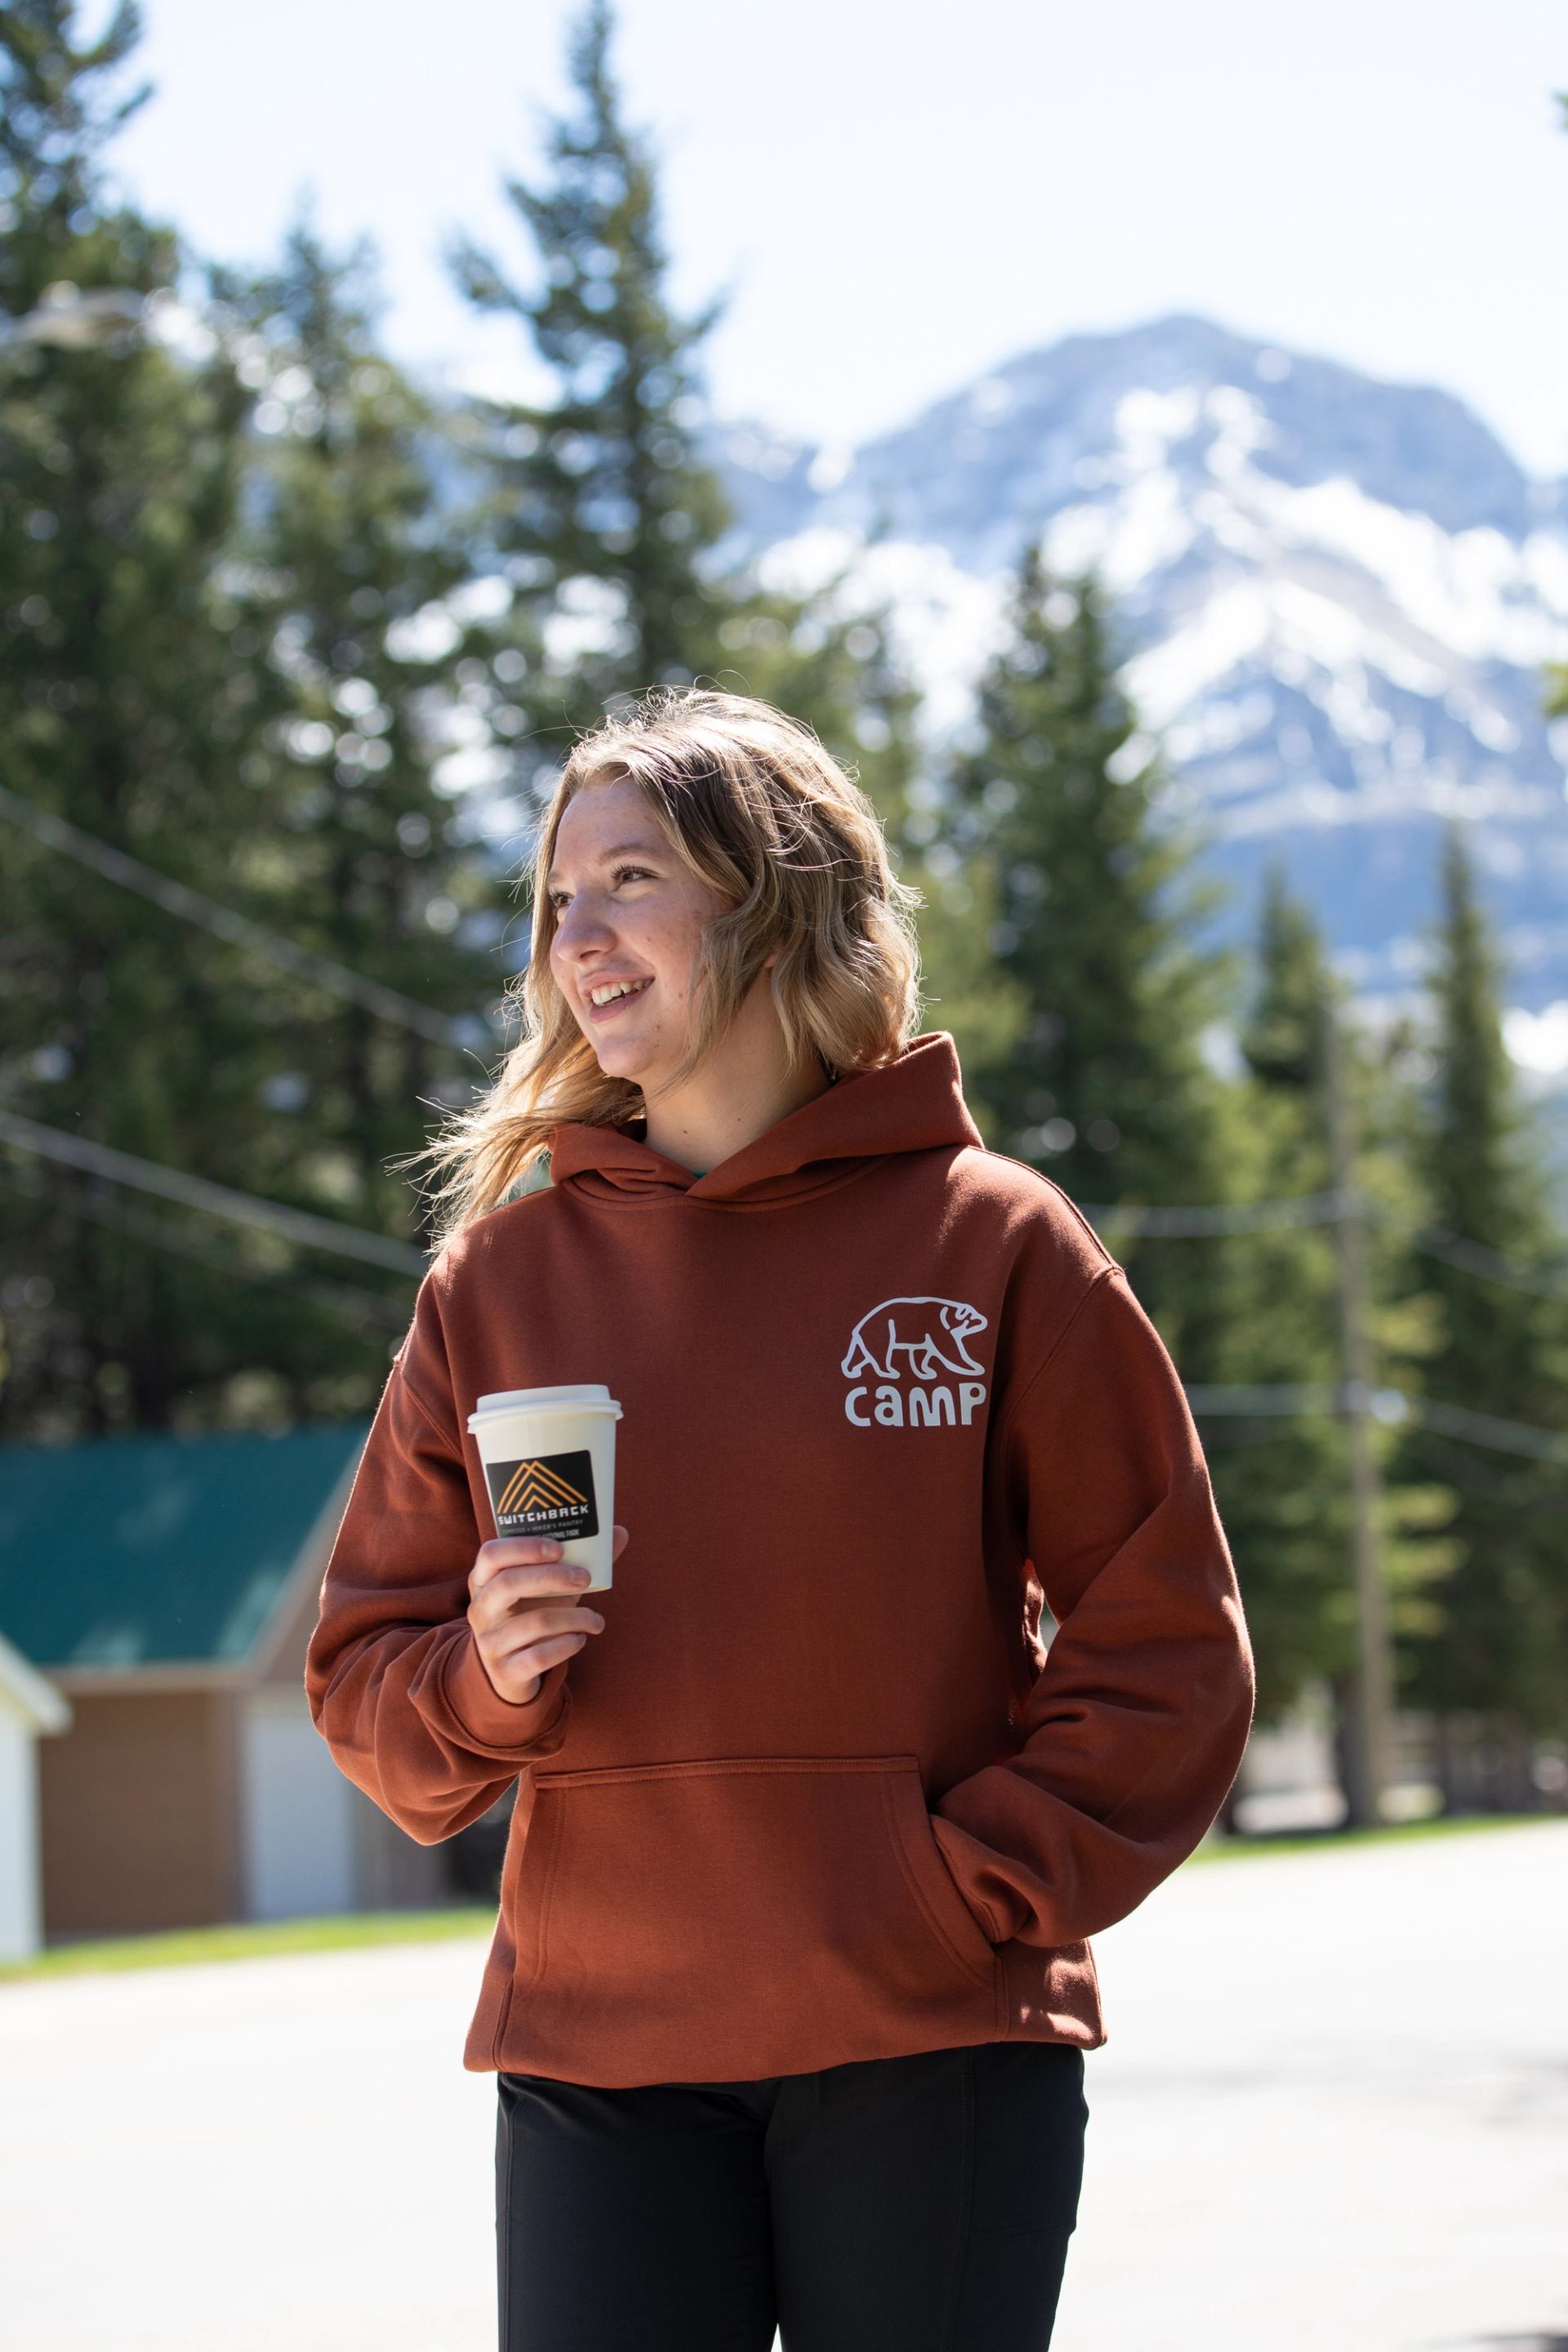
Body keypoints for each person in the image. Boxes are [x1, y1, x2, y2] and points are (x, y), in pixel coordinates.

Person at [305, 686, 1254, 2352]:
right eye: (555, 898)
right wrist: (484, 1680)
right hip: (599, 2051)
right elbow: (369, 1684)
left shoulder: (996, 1247)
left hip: (931, 2036)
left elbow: (1165, 1643)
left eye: (628, 879)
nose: (574, 936)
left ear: (774, 895)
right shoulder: (504, 1285)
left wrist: (966, 1887)